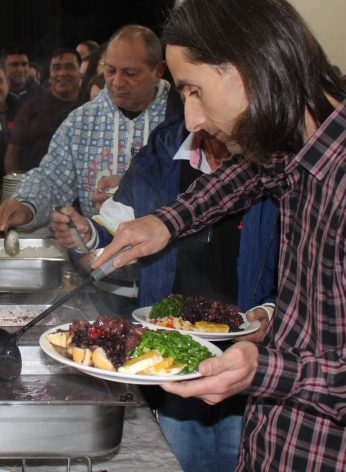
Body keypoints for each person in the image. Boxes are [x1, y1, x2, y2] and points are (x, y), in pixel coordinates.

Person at [95, 0, 346, 470]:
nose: (192, 120)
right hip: (280, 442)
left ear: (252, 67)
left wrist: (268, 370)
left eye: (195, 91)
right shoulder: (305, 137)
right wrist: (166, 221)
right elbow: (247, 176)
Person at [54, 113, 278, 471]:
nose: (195, 116)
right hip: (172, 352)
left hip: (251, 353)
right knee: (180, 459)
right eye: (187, 93)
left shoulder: (275, 154)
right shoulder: (166, 146)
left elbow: (299, 266)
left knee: (241, 456)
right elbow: (119, 224)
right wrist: (88, 235)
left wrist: (271, 310)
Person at [0, 28, 171, 238]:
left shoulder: (178, 118)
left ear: (158, 70)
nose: (117, 82)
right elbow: (52, 178)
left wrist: (137, 192)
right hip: (96, 248)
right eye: (110, 71)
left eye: (130, 73)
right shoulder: (83, 120)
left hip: (165, 253)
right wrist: (26, 205)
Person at [3, 47, 83, 174]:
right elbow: (12, 154)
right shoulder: (31, 109)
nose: (62, 73)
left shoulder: (89, 108)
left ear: (80, 71)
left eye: (69, 67)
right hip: (40, 189)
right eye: (56, 68)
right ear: (50, 74)